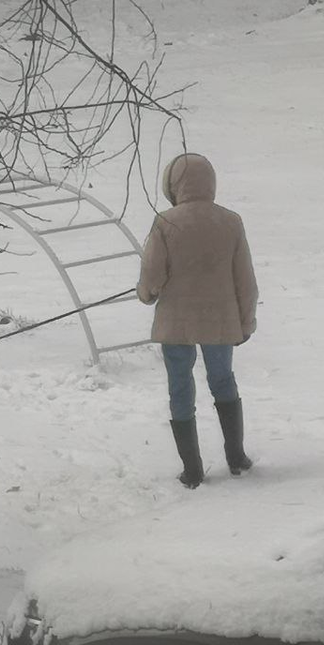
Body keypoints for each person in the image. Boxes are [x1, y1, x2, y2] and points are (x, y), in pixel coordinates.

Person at [136, 152, 258, 488]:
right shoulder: (231, 221)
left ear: (174, 185)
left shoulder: (166, 222)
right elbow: (244, 279)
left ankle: (192, 470)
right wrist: (246, 322)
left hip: (176, 322)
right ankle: (236, 457)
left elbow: (151, 274)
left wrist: (146, 293)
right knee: (223, 381)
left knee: (180, 387)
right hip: (220, 321)